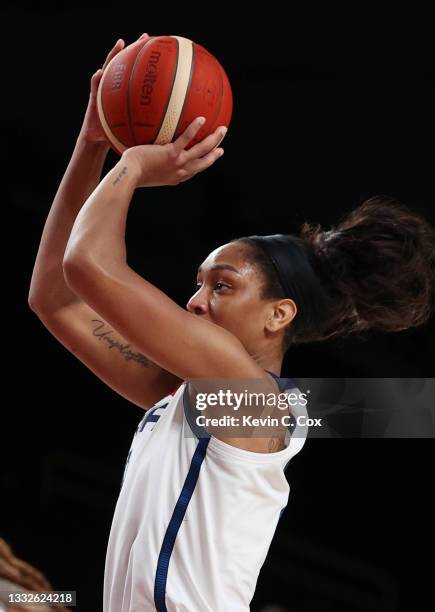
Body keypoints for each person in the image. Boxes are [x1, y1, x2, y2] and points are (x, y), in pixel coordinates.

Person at [28, 35, 435, 611]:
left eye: (222, 285)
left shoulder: (250, 396)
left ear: (279, 315)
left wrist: (136, 163)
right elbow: (57, 298)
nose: (195, 301)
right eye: (198, 283)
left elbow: (86, 265)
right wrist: (92, 143)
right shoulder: (191, 398)